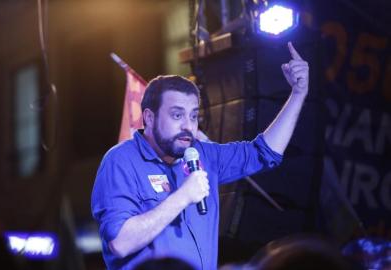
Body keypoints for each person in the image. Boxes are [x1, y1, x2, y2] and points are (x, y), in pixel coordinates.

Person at [91, 42, 309, 270]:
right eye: (177, 115)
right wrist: (183, 196)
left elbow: (265, 152)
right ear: (149, 117)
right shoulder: (120, 161)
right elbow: (120, 243)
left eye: (193, 116)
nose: (188, 126)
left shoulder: (203, 154)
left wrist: (297, 94)